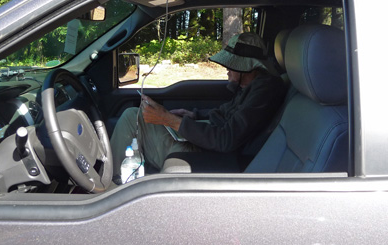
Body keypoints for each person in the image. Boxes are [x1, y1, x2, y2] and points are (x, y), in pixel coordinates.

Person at [110, 32, 285, 179]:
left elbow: (227, 139)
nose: (227, 70)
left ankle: (116, 183)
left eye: (231, 65)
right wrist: (194, 115)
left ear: (247, 67)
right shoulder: (250, 85)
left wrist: (170, 120)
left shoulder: (265, 90)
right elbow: (225, 113)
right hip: (206, 144)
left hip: (211, 156)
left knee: (131, 118)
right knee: (134, 114)